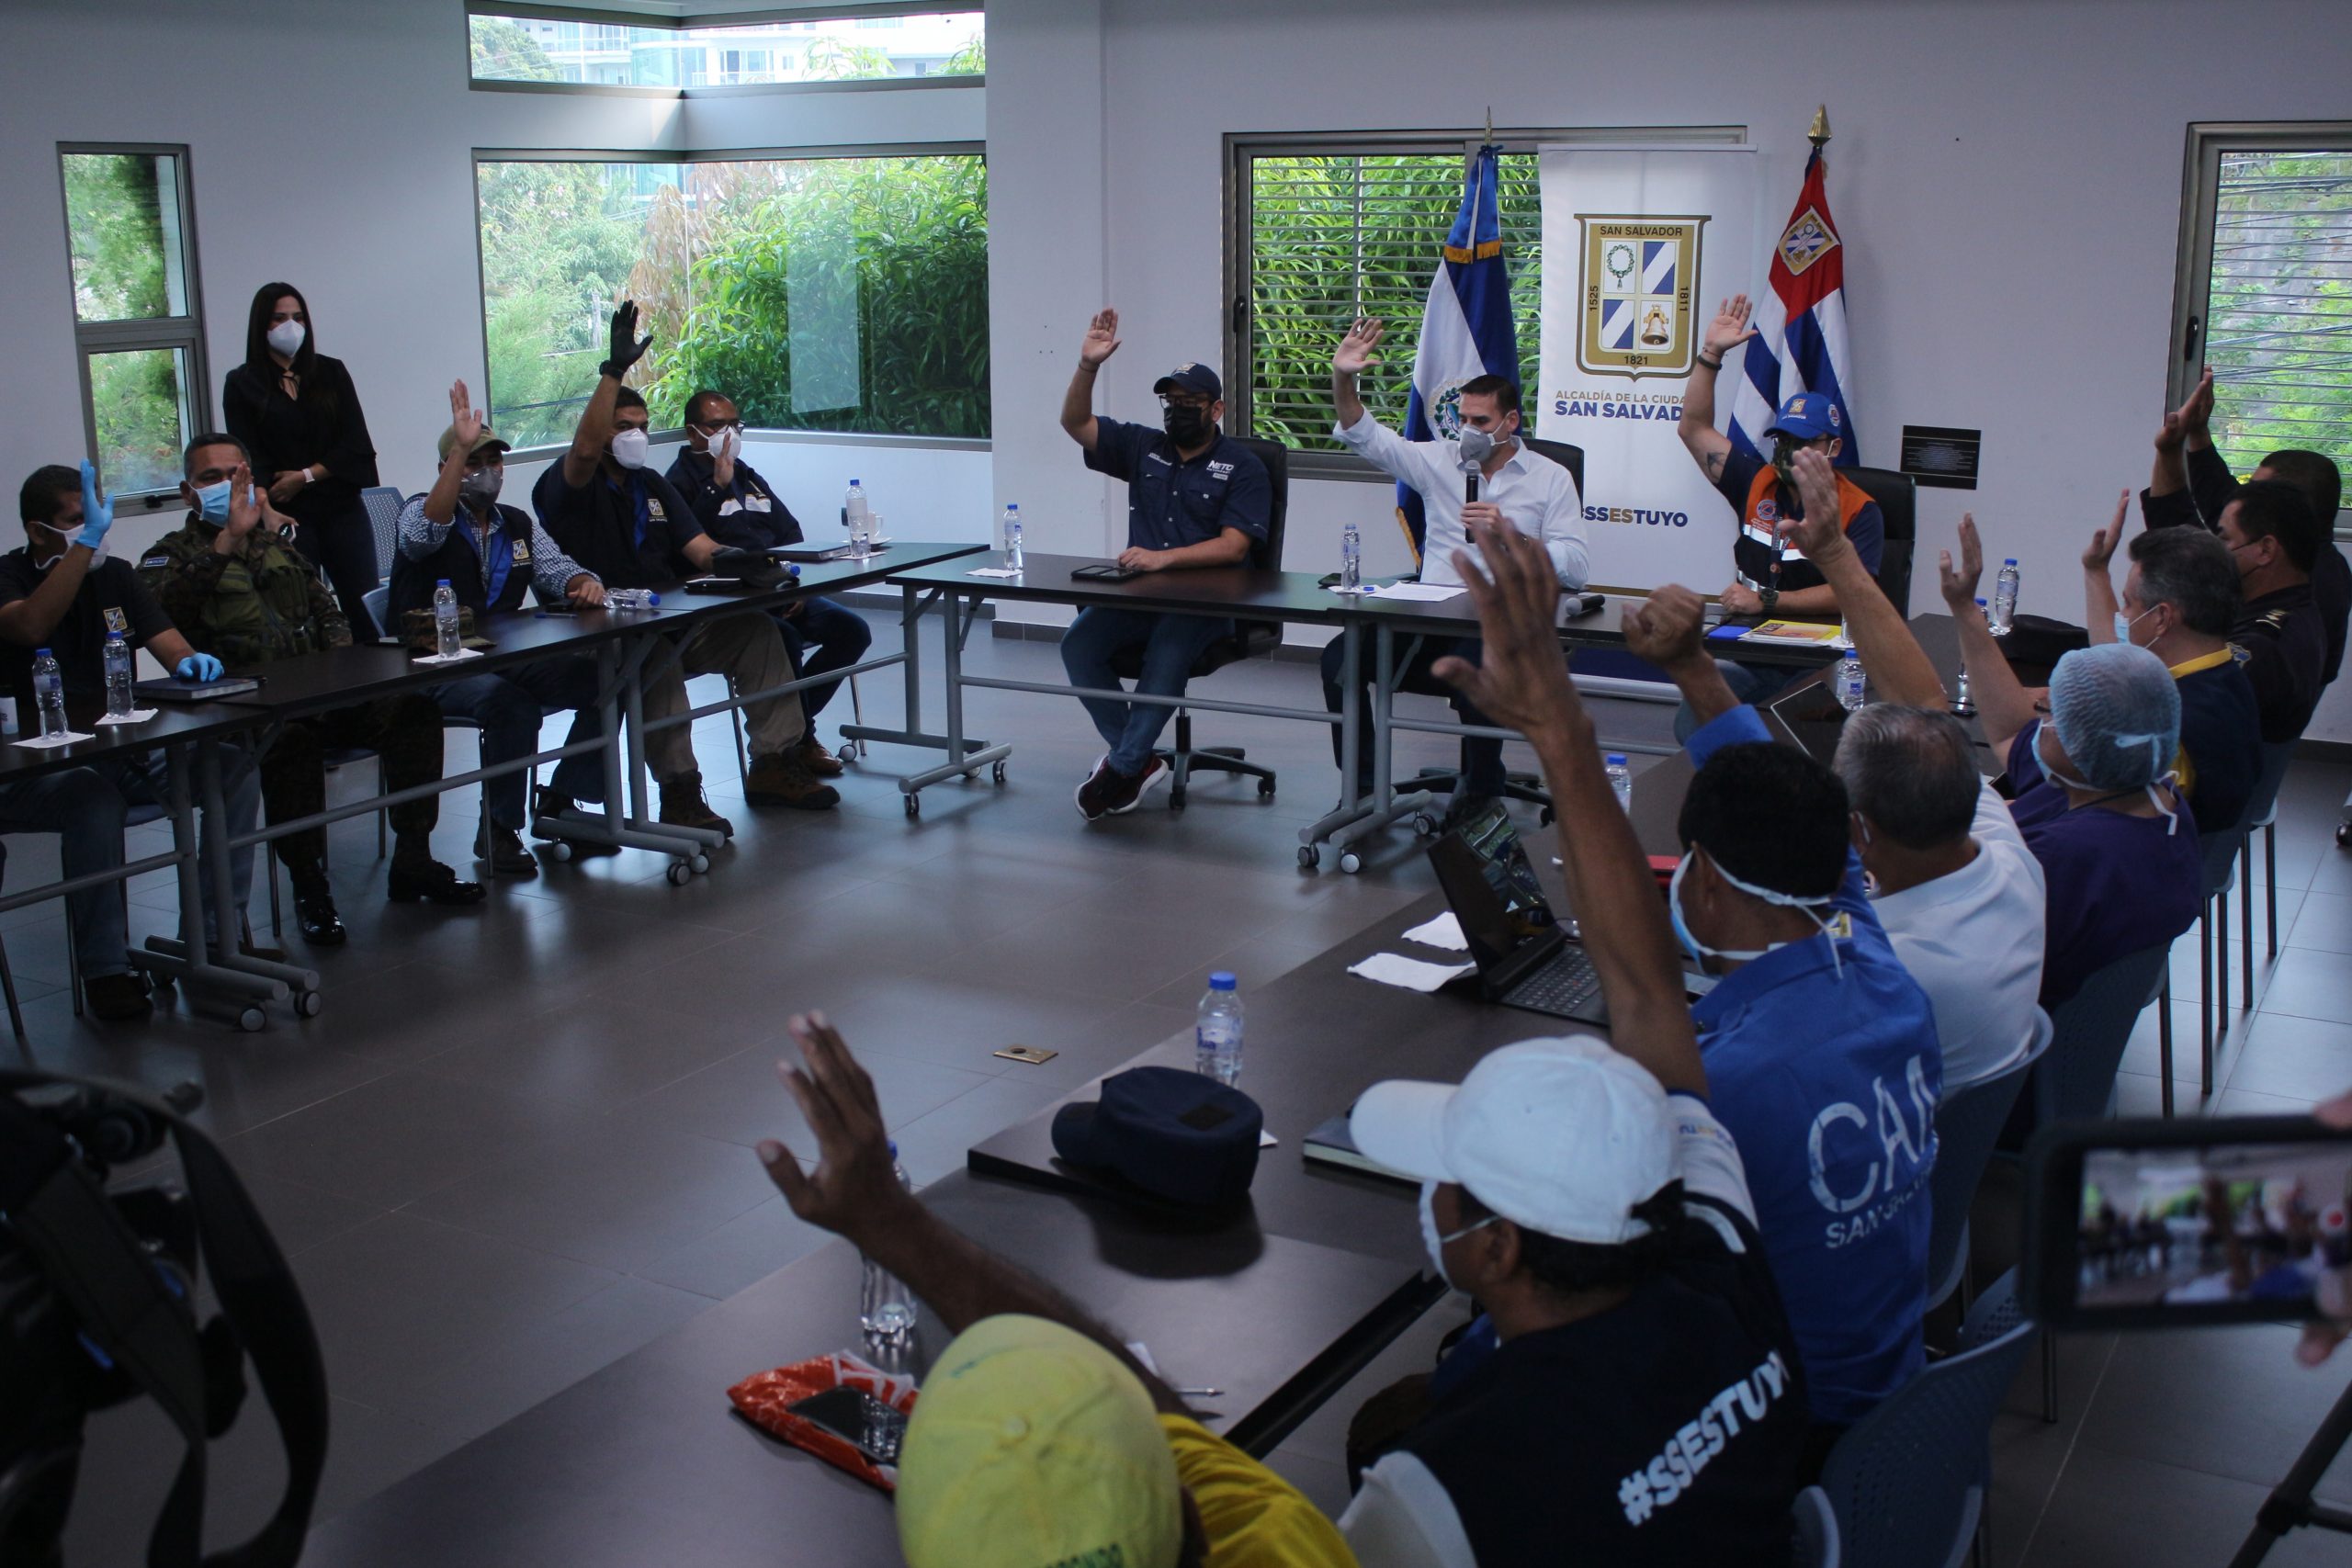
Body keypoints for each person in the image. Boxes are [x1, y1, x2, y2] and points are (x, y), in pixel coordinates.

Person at [1330, 517, 1807, 1563]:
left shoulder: (1444, 1487)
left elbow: (1643, 996)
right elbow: (1646, 995)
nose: (1436, 1195)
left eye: (1450, 1174)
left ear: (1497, 1249)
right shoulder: (1719, 1261)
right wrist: (1562, 733)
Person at [751, 1014, 1356, 1568]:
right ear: (1195, 1527)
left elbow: (1159, 1422)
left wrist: (887, 1222)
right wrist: (893, 1222)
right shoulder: (1280, 1544)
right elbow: (1160, 1418)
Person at [1610, 564, 1939, 1446]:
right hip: (1890, 1393)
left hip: (1781, 1423)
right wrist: (1691, 664)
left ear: (1706, 883)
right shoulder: (1877, 965)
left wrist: (1564, 743)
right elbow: (1784, 791)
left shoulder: (1728, 1088)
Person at [1774, 449, 2047, 1089]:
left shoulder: (1880, 968)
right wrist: (1836, 554)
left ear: (1859, 832)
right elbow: (1927, 706)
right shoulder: (2011, 864)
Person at [141, 436, 482, 945]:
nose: (227, 486)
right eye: (212, 478)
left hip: (321, 695)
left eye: (236, 474)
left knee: (413, 711)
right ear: (189, 493)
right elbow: (164, 617)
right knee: (292, 744)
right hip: (244, 712)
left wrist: (338, 671)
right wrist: (226, 542)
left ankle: (414, 857)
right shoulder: (167, 556)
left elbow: (328, 611)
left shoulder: (278, 546)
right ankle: (309, 883)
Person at [533, 303, 836, 820]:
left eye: (643, 426)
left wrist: (751, 567)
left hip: (666, 618)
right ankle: (680, 791)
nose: (635, 436)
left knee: (758, 633)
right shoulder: (570, 487)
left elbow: (699, 548)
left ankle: (774, 762)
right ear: (601, 432)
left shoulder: (650, 484)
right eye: (622, 427)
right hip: (600, 634)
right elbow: (582, 453)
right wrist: (614, 370)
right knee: (652, 656)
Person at [0, 462, 264, 1019]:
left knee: (233, 767)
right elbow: (30, 626)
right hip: (31, 768)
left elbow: (168, 642)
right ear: (36, 531)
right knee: (92, 799)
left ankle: (212, 936)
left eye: (97, 517)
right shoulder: (9, 577)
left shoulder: (115, 575)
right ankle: (105, 970)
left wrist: (190, 661)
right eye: (77, 521)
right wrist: (82, 549)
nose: (94, 530)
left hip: (116, 749)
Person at [1939, 515, 2202, 1008]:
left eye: (2051, 714)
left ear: (2083, 744)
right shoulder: (2161, 806)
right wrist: (1965, 610)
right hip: (2081, 1038)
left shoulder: (2061, 860)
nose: (2041, 721)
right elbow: (2011, 732)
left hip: (2014, 1036)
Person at [1322, 316, 1587, 804]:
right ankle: (1363, 789)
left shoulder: (1550, 478)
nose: (1468, 431)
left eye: (1480, 422)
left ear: (1511, 422)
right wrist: (1343, 378)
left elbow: (1576, 567)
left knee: (1479, 675)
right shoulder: (1438, 461)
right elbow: (1364, 434)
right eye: (1462, 419)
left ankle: (1480, 795)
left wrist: (1512, 537)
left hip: (1507, 624)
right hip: (1433, 618)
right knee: (1340, 657)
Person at [1057, 310, 1272, 818]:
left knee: (1167, 653)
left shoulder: (1243, 467)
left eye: (1189, 404)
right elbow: (1075, 424)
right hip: (1140, 594)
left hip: (1206, 603)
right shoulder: (1143, 446)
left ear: (1216, 409)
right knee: (1079, 644)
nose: (1177, 412)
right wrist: (1088, 366)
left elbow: (1233, 547)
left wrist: (1161, 559)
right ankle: (1137, 759)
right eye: (1170, 403)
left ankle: (1123, 765)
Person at [391, 381, 608, 876]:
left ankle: (562, 798)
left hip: (504, 654)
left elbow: (559, 569)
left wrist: (584, 582)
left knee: (605, 681)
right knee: (511, 707)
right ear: (447, 468)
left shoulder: (515, 523)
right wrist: (459, 452)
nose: (487, 473)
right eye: (474, 462)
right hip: (434, 664)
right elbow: (424, 535)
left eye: (494, 462)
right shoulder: (421, 513)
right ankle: (499, 828)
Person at [1675, 295, 1884, 731]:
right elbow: (1693, 428)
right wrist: (1711, 354)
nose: (1790, 452)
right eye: (1783, 440)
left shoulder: (1860, 509)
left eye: (1804, 442)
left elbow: (1852, 592)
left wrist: (1768, 601)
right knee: (1698, 705)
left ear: (1833, 448)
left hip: (1817, 657)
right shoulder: (1757, 480)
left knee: (1768, 722)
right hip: (1747, 642)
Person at [665, 390, 870, 777]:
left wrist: (793, 585)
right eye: (717, 426)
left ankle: (797, 724)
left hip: (778, 589)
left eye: (734, 424)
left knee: (851, 630)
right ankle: (799, 740)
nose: (729, 434)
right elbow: (685, 549)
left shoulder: (747, 475)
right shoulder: (676, 485)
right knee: (783, 639)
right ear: (693, 433)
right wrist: (716, 486)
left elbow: (790, 533)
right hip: (731, 601)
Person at [2142, 366, 2347, 687]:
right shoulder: (2302, 564)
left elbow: (2190, 554)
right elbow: (2223, 507)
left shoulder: (2283, 618)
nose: (2242, 497)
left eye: (2255, 491)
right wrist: (2194, 436)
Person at [2082, 499, 2262, 834]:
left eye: (2129, 604)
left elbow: (2101, 825)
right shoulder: (2229, 677)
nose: (2122, 616)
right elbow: (2118, 662)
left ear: (2162, 618)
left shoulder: (2166, 727)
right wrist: (2096, 571)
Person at [221, 282, 384, 640]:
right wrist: (264, 508)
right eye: (279, 319)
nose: (290, 327)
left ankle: (374, 677)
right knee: (298, 613)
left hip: (342, 507)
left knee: (363, 608)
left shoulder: (331, 372)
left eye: (297, 318)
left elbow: (356, 444)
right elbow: (248, 457)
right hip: (286, 514)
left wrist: (307, 476)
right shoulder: (241, 383)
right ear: (261, 324)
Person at [2213, 480, 2332, 745]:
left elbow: (2172, 715)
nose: (2215, 550)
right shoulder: (2299, 607)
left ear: (2265, 550)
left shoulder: (2262, 644)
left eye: (2224, 539)